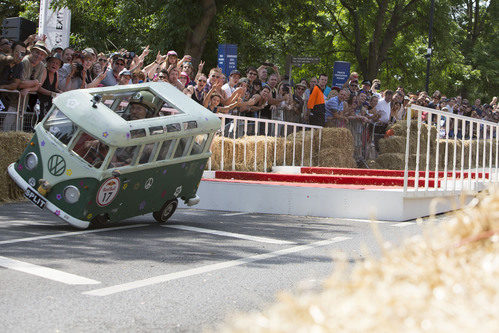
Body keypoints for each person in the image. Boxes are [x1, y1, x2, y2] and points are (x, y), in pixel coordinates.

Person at [37, 53, 63, 121]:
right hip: (39, 100)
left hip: (49, 102)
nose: (55, 65)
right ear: (48, 63)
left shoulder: (56, 74)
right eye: (53, 62)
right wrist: (52, 93)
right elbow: (38, 87)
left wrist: (61, 92)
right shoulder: (45, 71)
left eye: (57, 63)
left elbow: (55, 88)